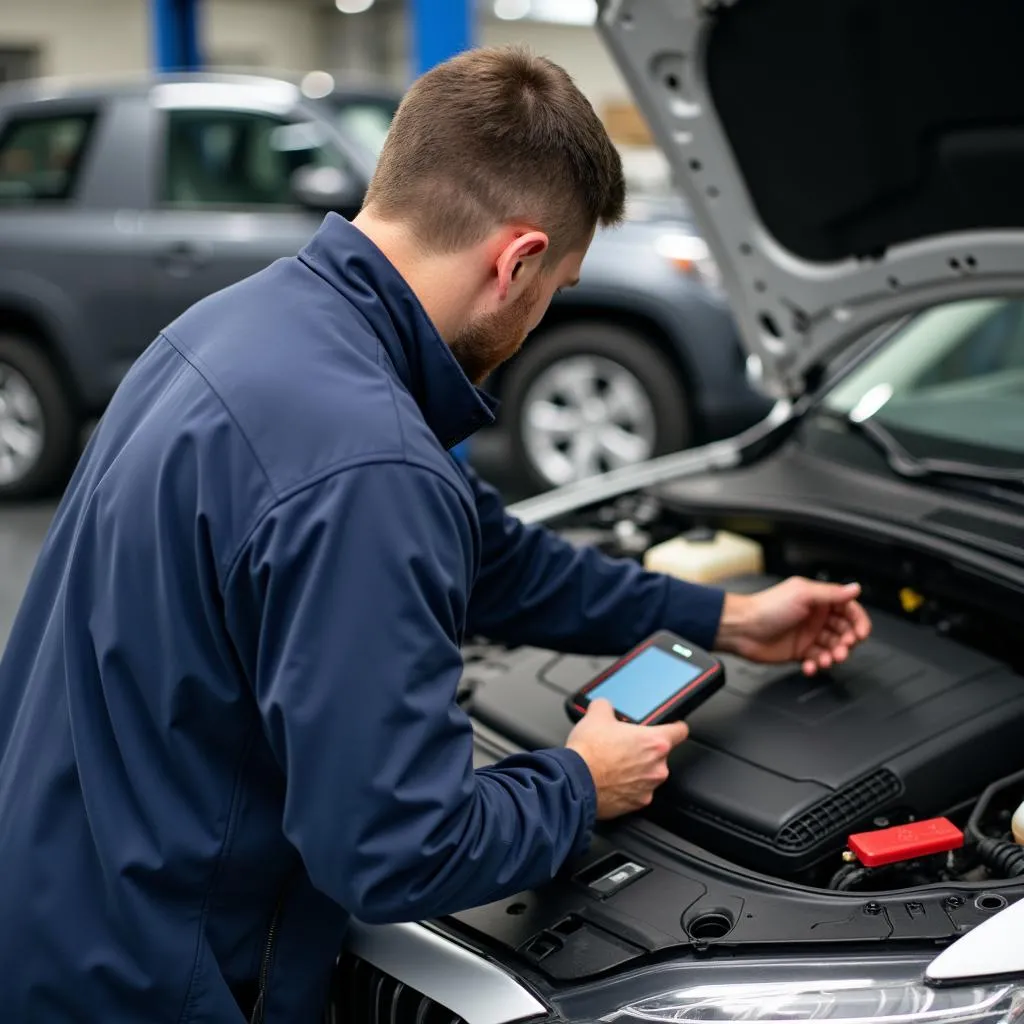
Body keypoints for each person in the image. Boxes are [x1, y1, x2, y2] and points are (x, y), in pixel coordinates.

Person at [0, 46, 870, 1022]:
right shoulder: (367, 459)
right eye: (559, 289)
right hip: (149, 980)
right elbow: (393, 851)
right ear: (517, 261)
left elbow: (488, 554)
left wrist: (725, 617)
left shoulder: (238, 327)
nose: (543, 317)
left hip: (54, 888)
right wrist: (578, 782)